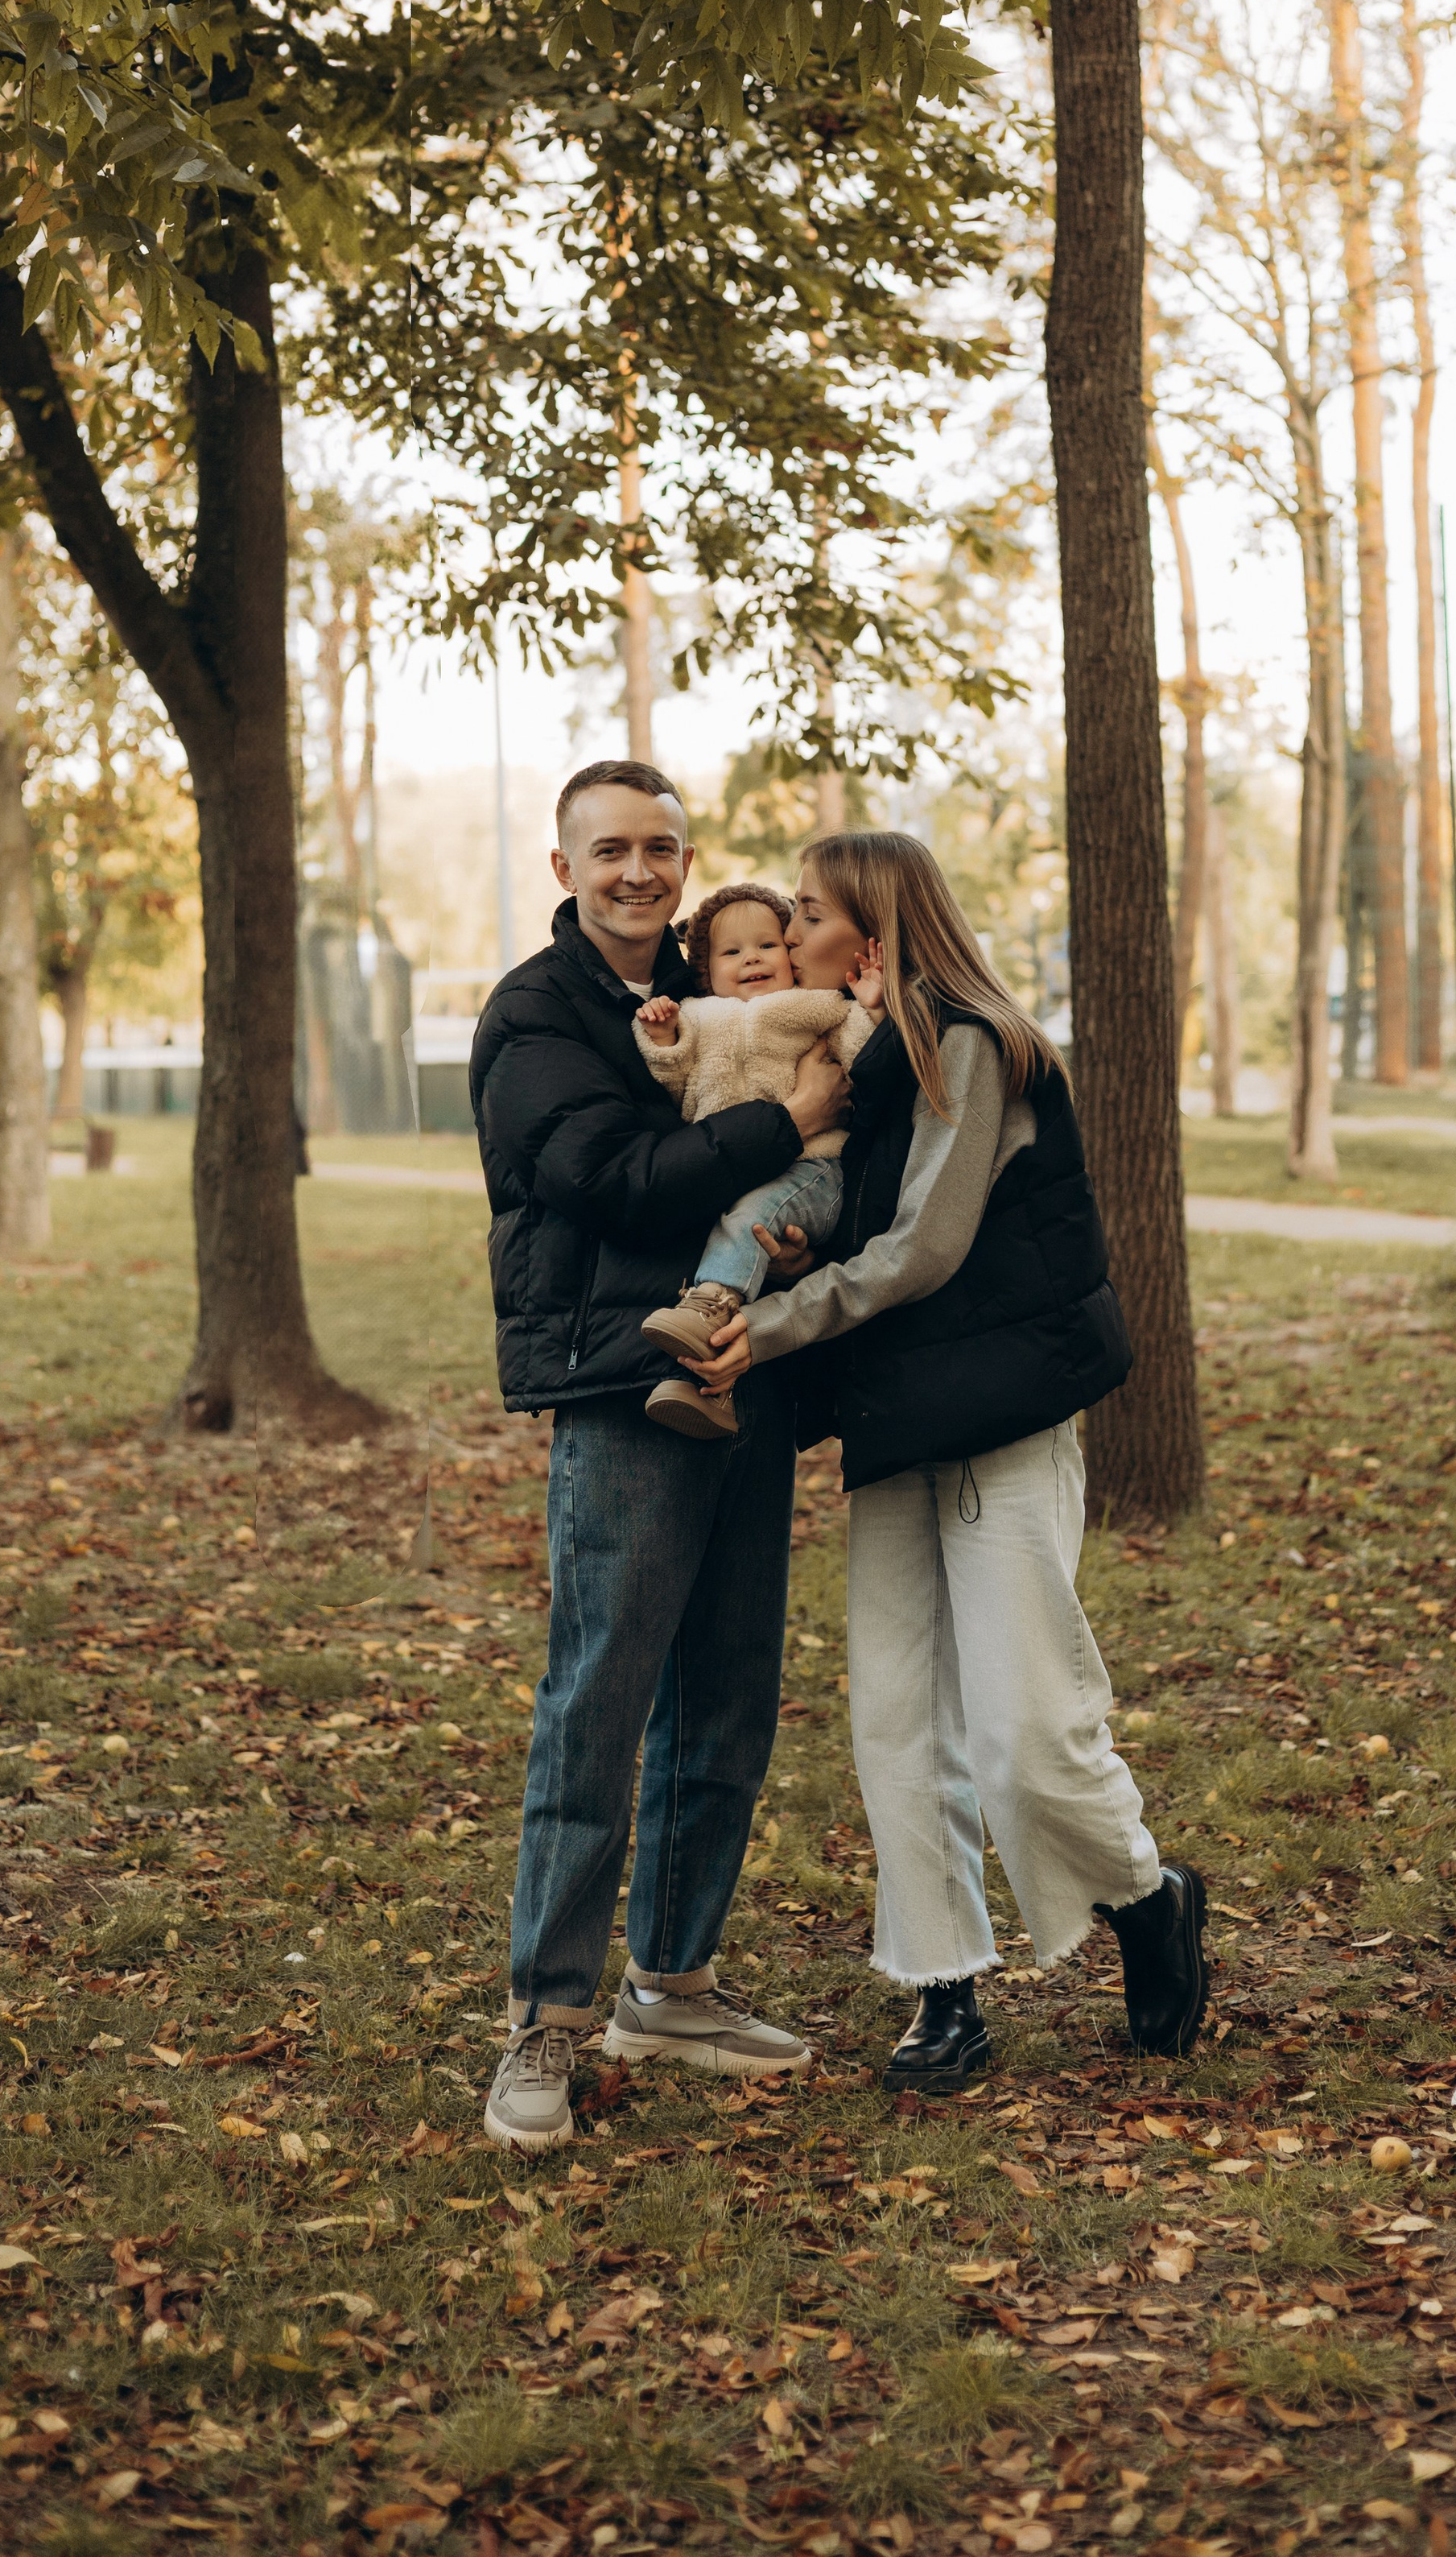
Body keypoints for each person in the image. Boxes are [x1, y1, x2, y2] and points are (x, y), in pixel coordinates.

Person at [687, 830, 1211, 2084]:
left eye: (806, 912)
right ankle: (944, 1991)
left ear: (867, 933)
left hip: (1003, 1421)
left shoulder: (972, 1042)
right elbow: (871, 1227)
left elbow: (925, 1248)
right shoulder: (869, 1060)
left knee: (1028, 1729)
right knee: (898, 1723)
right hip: (896, 1425)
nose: (787, 932)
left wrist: (766, 1328)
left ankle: (1146, 1897)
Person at [468, 761, 852, 2149]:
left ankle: (672, 1982)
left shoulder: (716, 998)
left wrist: (802, 1216)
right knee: (602, 1701)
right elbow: (608, 1179)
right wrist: (787, 1127)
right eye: (612, 849)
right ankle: (546, 2018)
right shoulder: (538, 1011)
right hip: (623, 1389)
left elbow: (762, 1187)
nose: (641, 869)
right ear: (564, 865)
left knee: (729, 1693)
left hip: (740, 1371)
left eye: (662, 848)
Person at [633, 882, 879, 1440]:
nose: (751, 959)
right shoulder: (697, 1016)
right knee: (730, 1229)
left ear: (790, 957)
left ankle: (710, 1306)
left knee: (747, 1220)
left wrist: (869, 1008)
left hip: (811, 1171)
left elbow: (861, 1059)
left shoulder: (817, 1007)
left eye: (767, 946)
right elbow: (671, 1079)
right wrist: (664, 1036)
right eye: (731, 952)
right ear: (705, 971)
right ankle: (709, 1390)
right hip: (730, 1177)